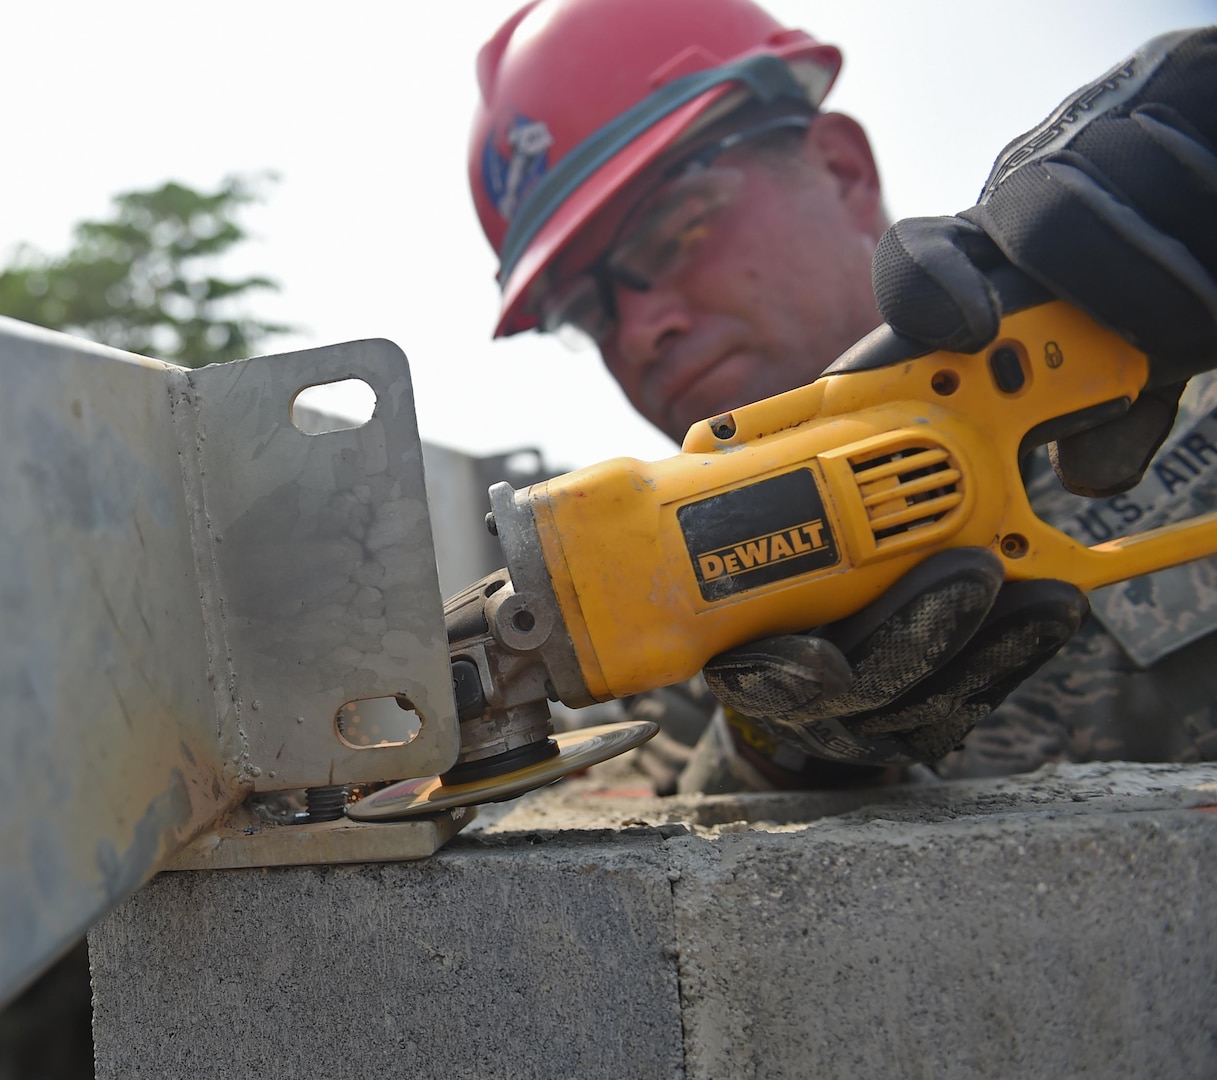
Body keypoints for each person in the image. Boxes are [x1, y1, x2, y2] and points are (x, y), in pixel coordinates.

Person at [467, 0, 1217, 792]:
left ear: (841, 169)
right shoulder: (644, 655)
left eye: (672, 233)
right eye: (585, 313)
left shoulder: (1183, 338)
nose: (637, 329)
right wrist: (778, 751)